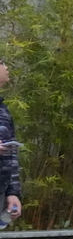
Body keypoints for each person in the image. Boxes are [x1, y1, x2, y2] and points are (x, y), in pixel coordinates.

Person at [0, 59, 19, 227]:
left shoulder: (3, 110)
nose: (6, 67)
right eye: (2, 63)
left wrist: (12, 193)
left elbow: (11, 154)